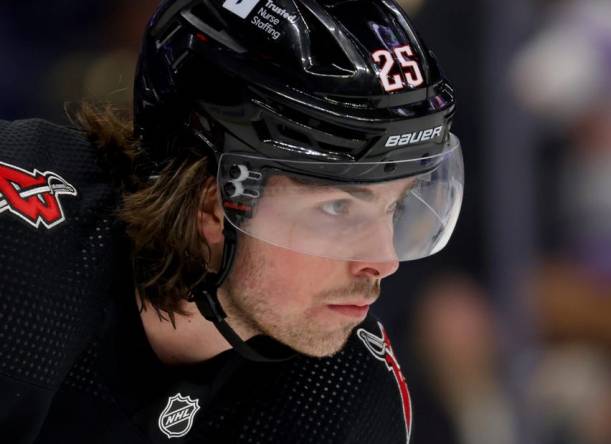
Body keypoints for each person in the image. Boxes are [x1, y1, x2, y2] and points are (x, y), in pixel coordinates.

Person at [0, 0, 464, 443]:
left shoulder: (341, 394)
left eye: (394, 207)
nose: (383, 260)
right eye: (338, 209)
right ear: (212, 202)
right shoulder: (20, 262)